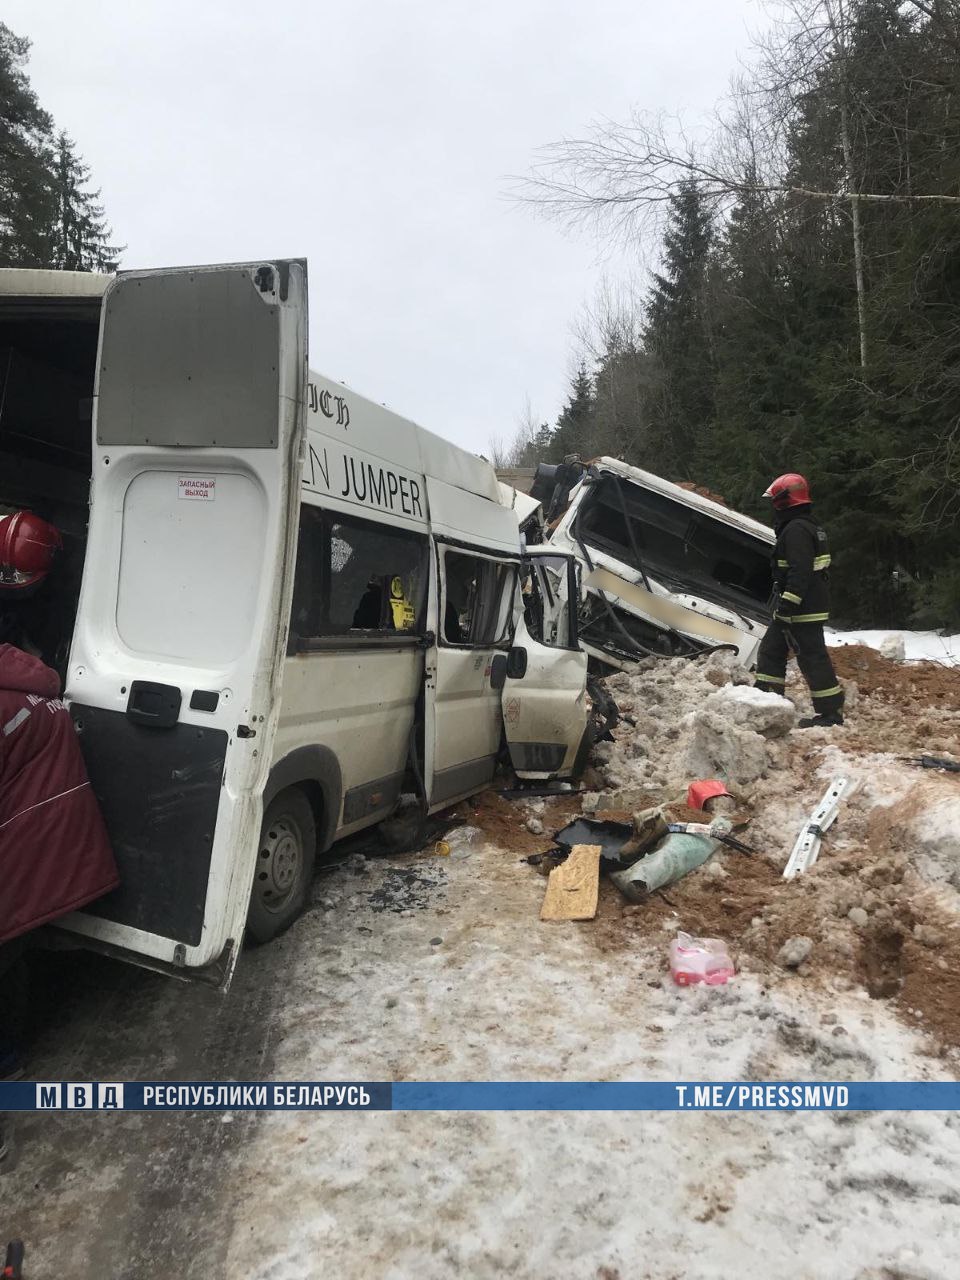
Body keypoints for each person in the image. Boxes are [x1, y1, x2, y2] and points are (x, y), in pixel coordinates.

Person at [754, 473, 845, 728]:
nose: (773, 505)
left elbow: (800, 572)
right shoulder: (806, 525)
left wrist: (787, 607)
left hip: (801, 608)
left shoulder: (795, 530)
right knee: (773, 649)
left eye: (775, 500)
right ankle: (766, 700)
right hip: (806, 605)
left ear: (784, 500)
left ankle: (830, 714)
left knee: (811, 656)